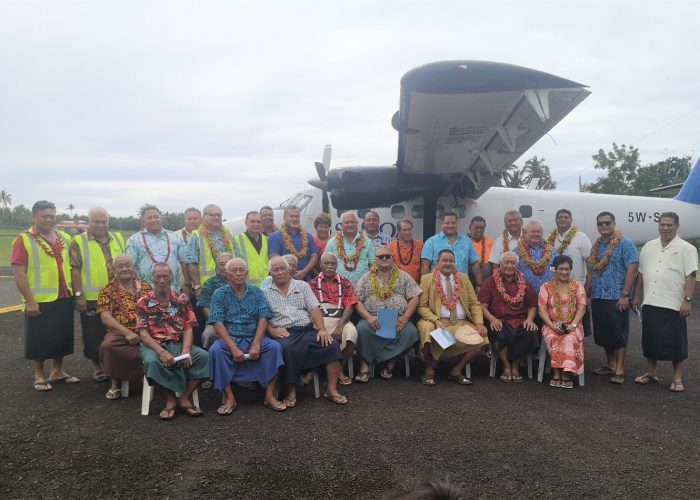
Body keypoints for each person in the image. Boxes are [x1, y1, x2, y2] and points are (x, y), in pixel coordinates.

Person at [12, 200, 79, 391]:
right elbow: (19, 272)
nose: (49, 219)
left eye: (51, 215)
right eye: (44, 216)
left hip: (64, 294)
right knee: (39, 337)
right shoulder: (24, 240)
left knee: (62, 335)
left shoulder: (64, 238)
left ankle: (57, 371)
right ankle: (39, 374)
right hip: (39, 299)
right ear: (34, 217)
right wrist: (30, 300)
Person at [263, 256, 348, 406]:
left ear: (288, 270)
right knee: (287, 349)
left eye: (283, 268)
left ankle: (331, 390)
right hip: (285, 333)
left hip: (307, 330)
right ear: (270, 272)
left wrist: (322, 329)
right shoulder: (264, 292)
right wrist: (272, 330)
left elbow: (314, 308)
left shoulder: (302, 286)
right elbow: (262, 317)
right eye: (276, 270)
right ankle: (291, 389)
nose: (280, 272)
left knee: (331, 345)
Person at [208, 258, 286, 413]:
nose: (238, 274)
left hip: (253, 336)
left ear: (246, 273)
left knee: (275, 347)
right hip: (231, 338)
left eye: (241, 270)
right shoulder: (219, 294)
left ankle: (269, 395)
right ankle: (230, 397)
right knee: (215, 351)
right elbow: (217, 322)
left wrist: (257, 343)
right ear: (227, 274)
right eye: (233, 271)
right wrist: (233, 348)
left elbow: (263, 318)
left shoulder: (257, 292)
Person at [632, 213, 697, 392]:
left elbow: (690, 276)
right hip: (651, 301)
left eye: (669, 225)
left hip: (674, 304)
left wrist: (687, 300)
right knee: (650, 340)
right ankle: (651, 373)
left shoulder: (686, 248)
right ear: (658, 226)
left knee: (676, 342)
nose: (665, 228)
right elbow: (641, 274)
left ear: (677, 226)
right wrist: (636, 296)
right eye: (662, 225)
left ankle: (677, 377)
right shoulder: (648, 246)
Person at [136, 263, 210, 420]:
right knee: (151, 362)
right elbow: (143, 334)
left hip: (178, 343)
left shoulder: (182, 299)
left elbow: (189, 327)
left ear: (172, 278)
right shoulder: (143, 302)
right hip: (154, 346)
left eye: (166, 276)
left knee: (204, 357)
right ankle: (170, 400)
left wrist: (186, 350)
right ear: (152, 278)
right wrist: (161, 352)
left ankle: (184, 398)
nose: (162, 280)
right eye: (158, 276)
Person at [70, 207, 125, 382]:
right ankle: (98, 368)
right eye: (97, 222)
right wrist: (79, 295)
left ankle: (117, 365)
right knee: (93, 334)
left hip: (117, 295)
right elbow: (75, 270)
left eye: (104, 222)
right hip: (92, 297)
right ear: (89, 222)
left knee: (119, 331)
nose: (101, 225)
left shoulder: (117, 238)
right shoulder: (79, 241)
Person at [417, 249, 488, 386]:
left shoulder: (464, 278)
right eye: (444, 260)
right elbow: (422, 307)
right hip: (437, 321)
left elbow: (474, 303)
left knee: (482, 338)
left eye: (451, 261)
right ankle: (429, 369)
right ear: (437, 263)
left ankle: (456, 370)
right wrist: (435, 320)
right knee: (426, 328)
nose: (448, 263)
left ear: (455, 263)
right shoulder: (427, 279)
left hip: (460, 322)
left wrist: (479, 322)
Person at [353, 246, 421, 382]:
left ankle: (390, 363)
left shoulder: (403, 275)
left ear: (392, 258)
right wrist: (368, 317)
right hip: (373, 318)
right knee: (360, 330)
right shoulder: (366, 277)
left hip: (397, 318)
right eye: (380, 257)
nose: (384, 259)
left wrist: (405, 317)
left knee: (411, 332)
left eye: (387, 256)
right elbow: (356, 300)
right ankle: (364, 366)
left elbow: (415, 297)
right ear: (375, 259)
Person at [588, 211, 638, 385]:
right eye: (600, 223)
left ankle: (620, 368)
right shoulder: (596, 246)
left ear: (614, 224)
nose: (604, 226)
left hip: (617, 296)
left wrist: (626, 295)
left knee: (618, 333)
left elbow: (633, 269)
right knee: (603, 334)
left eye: (607, 223)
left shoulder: (625, 243)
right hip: (598, 295)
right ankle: (611, 364)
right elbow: (591, 271)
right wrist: (587, 293)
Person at [96, 255, 152, 399]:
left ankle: (154, 379)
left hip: (148, 330)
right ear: (114, 269)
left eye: (128, 265)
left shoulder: (146, 286)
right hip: (121, 331)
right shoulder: (107, 290)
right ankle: (116, 383)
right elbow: (105, 317)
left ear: (134, 267)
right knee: (108, 346)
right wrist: (127, 333)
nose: (125, 268)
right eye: (120, 266)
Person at [478, 251, 539, 382]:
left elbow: (533, 305)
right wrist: (492, 319)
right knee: (496, 329)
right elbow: (482, 305)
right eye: (506, 262)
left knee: (530, 331)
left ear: (517, 265)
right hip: (499, 319)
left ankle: (515, 366)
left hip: (520, 320)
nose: (509, 265)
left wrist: (529, 319)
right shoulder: (489, 282)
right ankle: (506, 366)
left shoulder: (525, 282)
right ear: (500, 264)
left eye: (513, 263)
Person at [538, 255, 587, 389]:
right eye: (561, 269)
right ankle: (556, 372)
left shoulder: (577, 286)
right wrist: (551, 325)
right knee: (553, 337)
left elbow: (582, 308)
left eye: (567, 269)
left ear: (570, 270)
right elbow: (541, 308)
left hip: (573, 324)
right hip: (552, 323)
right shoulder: (546, 286)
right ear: (555, 270)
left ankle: (566, 373)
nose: (564, 272)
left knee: (570, 338)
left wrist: (573, 325)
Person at [312, 253, 359, 385]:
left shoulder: (345, 282)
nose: (329, 266)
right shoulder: (313, 283)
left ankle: (339, 368)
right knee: (313, 336)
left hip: (341, 318)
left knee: (351, 335)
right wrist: (319, 326)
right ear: (320, 265)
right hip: (320, 320)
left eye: (332, 263)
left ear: (337, 265)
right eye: (326, 263)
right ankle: (315, 369)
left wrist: (340, 326)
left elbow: (349, 306)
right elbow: (310, 308)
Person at [547, 209, 592, 336]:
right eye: (560, 217)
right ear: (555, 220)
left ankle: (577, 352)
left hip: (577, 288)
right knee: (556, 320)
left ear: (571, 220)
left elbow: (590, 266)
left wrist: (587, 290)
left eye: (566, 217)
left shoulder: (581, 237)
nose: (563, 219)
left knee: (577, 325)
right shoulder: (550, 239)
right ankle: (558, 351)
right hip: (556, 289)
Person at [125, 204, 188, 291]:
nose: (153, 220)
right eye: (149, 218)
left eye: (156, 217)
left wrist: (187, 286)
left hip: (173, 291)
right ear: (143, 221)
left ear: (161, 218)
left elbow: (184, 262)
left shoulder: (175, 237)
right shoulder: (133, 240)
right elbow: (130, 267)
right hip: (145, 292)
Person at [421, 212, 483, 291]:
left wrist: (479, 285)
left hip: (462, 286)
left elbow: (475, 265)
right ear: (442, 224)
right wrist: (426, 286)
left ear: (457, 224)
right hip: (437, 287)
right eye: (447, 223)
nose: (450, 225)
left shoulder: (467, 241)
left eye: (453, 223)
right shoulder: (431, 242)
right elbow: (425, 266)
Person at [187, 204, 235, 293]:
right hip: (208, 287)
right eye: (212, 215)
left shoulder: (228, 233)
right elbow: (191, 263)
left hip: (230, 284)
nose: (216, 217)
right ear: (204, 217)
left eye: (219, 215)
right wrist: (197, 286)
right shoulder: (197, 235)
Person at [268, 205, 319, 281]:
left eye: (297, 217)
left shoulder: (308, 236)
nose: (295, 219)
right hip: (284, 279)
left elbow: (314, 256)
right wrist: (289, 273)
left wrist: (304, 272)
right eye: (291, 216)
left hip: (306, 279)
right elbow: (275, 257)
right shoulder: (274, 237)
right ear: (284, 217)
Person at [324, 211, 375, 286]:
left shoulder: (367, 242)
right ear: (341, 225)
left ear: (357, 223)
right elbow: (325, 264)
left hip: (363, 287)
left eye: (353, 222)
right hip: (337, 287)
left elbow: (373, 263)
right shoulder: (332, 242)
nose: (350, 224)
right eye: (347, 222)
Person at [198, 252, 234, 350]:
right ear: (217, 266)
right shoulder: (210, 283)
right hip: (215, 320)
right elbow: (205, 307)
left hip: (238, 320)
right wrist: (218, 323)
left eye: (228, 263)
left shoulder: (240, 281)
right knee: (207, 335)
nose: (225, 267)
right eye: (222, 264)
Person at [515, 220, 557, 293]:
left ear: (542, 233)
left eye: (538, 231)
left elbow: (557, 270)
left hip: (549, 294)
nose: (536, 234)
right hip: (524, 294)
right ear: (526, 233)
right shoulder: (517, 251)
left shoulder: (553, 251)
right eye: (533, 231)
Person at [233, 211, 269, 287]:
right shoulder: (236, 240)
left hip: (266, 286)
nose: (256, 224)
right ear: (246, 223)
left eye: (258, 222)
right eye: (252, 221)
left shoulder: (266, 240)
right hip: (246, 286)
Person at [176, 207, 202, 296]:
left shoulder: (206, 236)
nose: (192, 221)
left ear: (201, 219)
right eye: (189, 219)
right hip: (182, 285)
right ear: (184, 220)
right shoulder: (175, 236)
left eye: (195, 219)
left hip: (202, 284)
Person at [469, 216, 494, 281]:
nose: (479, 230)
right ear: (470, 227)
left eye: (481, 228)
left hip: (487, 279)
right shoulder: (465, 241)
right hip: (468, 278)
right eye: (476, 227)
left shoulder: (490, 241)